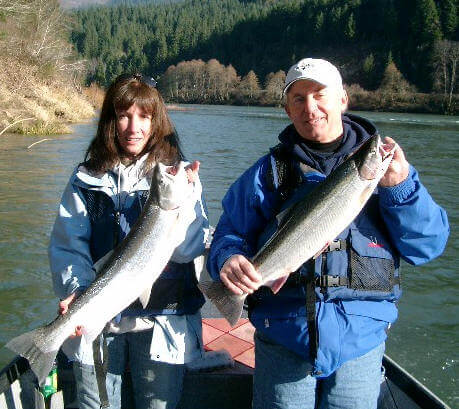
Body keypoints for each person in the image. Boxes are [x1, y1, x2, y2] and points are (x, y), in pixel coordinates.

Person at [207, 58, 449, 409]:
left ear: (343, 100)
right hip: (284, 336)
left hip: (360, 341)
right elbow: (228, 232)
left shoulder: (391, 175)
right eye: (298, 99)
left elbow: (428, 246)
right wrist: (227, 259)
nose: (311, 108)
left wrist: (401, 189)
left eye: (320, 95)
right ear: (288, 110)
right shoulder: (266, 174)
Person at [49, 73, 209, 409]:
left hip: (163, 321)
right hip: (98, 320)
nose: (133, 127)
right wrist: (76, 288)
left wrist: (190, 199)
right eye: (123, 115)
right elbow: (68, 246)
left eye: (143, 117)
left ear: (156, 122)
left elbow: (189, 250)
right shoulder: (84, 178)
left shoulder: (177, 177)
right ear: (110, 120)